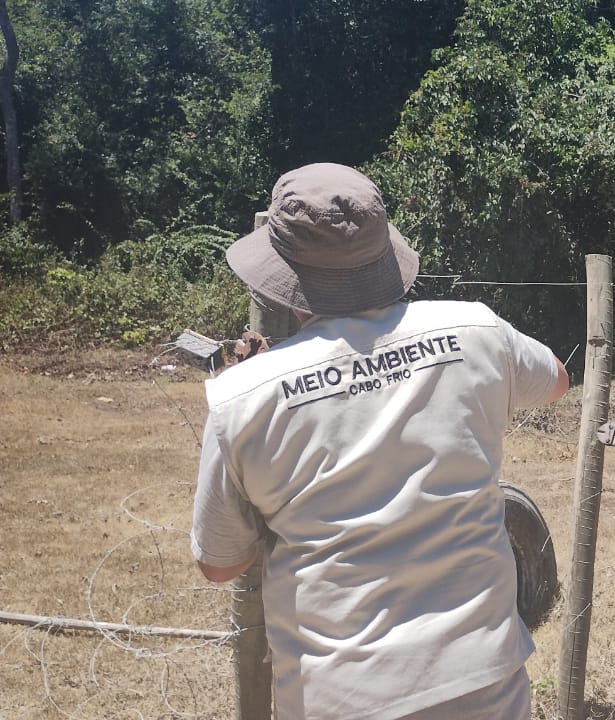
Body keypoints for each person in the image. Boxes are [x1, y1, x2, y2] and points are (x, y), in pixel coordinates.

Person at [190, 163, 569, 720]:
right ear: (383, 253)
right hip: (487, 680)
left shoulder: (243, 398)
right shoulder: (476, 329)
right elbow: (557, 379)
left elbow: (220, 564)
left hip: (342, 694)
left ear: (283, 274)